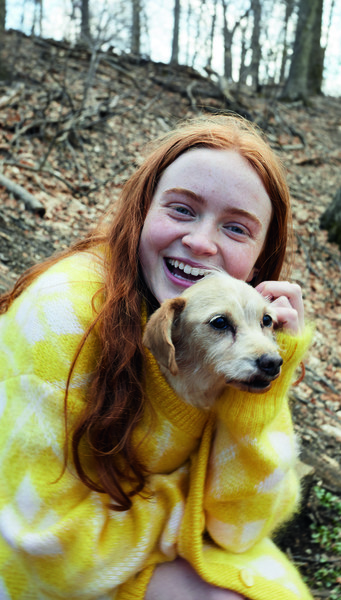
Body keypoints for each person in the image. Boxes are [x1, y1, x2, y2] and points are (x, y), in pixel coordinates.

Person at [0, 114, 313, 600]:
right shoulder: (63, 314)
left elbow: (240, 530)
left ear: (260, 256)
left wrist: (267, 376)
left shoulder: (242, 332)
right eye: (182, 210)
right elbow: (39, 543)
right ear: (142, 210)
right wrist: (185, 512)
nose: (201, 242)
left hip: (126, 543)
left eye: (235, 227)